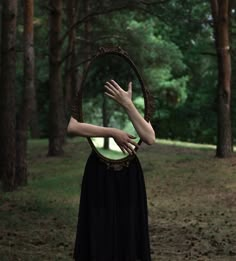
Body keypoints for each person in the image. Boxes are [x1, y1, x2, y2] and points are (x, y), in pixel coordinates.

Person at [67, 80, 156, 261]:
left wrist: (127, 104)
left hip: (129, 173)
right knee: (99, 229)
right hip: (99, 171)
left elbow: (149, 137)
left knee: (128, 229)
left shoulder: (135, 102)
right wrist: (112, 132)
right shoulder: (85, 91)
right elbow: (72, 126)